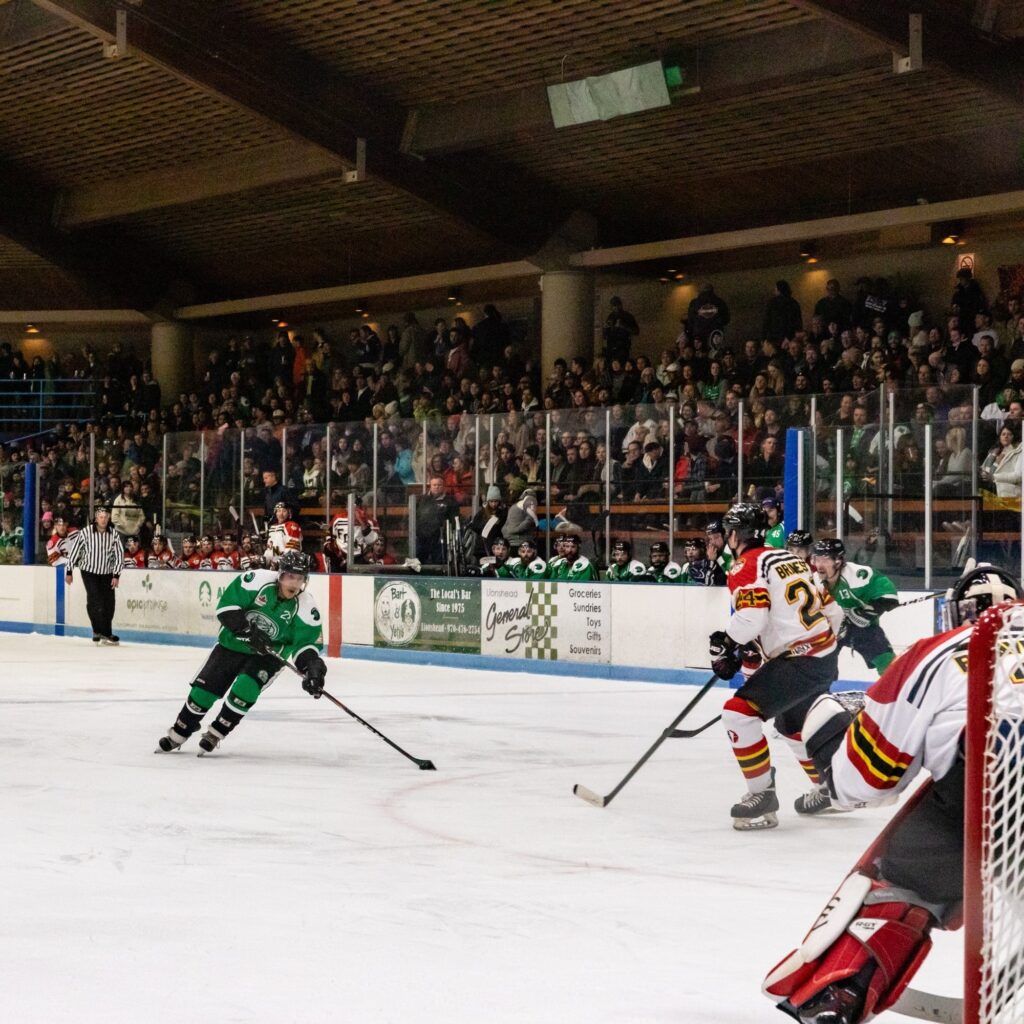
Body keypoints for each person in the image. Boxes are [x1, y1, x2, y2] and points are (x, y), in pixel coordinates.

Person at [764, 565, 1024, 1024]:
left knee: (913, 871)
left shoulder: (939, 652)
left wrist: (831, 744)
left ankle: (842, 994)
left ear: (959, 612)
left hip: (997, 780)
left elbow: (867, 779)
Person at [709, 503, 843, 830]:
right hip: (823, 657)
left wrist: (724, 644)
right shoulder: (790, 558)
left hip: (799, 660)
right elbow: (834, 612)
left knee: (738, 713)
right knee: (790, 725)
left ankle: (762, 796)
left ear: (735, 534)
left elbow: (753, 618)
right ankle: (828, 788)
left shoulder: (745, 565)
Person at [156, 551, 326, 755]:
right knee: (203, 692)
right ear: (280, 574)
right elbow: (226, 607)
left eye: (299, 579)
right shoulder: (256, 580)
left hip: (268, 656)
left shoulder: (307, 606)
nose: (294, 584)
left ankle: (217, 731)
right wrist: (247, 630)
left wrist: (313, 670)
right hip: (232, 644)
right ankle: (179, 732)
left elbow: (305, 645)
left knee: (246, 689)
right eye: (290, 576)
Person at [812, 538, 899, 675]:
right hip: (831, 630)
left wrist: (869, 612)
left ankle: (891, 693)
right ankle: (820, 694)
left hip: (862, 629)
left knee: (886, 660)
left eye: (825, 560)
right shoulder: (812, 582)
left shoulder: (858, 575)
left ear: (838, 561)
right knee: (818, 665)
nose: (819, 565)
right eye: (817, 559)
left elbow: (889, 597)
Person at [64, 503, 125, 645]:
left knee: (109, 603)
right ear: (96, 518)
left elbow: (119, 555)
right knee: (95, 599)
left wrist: (116, 575)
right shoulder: (85, 532)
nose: (103, 520)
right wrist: (69, 571)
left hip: (107, 572)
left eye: (105, 517)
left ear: (109, 518)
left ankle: (107, 632)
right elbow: (75, 552)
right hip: (89, 571)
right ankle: (97, 630)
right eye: (100, 517)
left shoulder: (113, 534)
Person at [265, 501, 303, 568]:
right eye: (279, 511)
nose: (281, 514)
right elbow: (270, 549)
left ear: (289, 513)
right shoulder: (272, 527)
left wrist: (280, 561)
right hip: (274, 564)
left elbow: (293, 549)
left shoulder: (292, 526)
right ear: (275, 513)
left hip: (288, 566)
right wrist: (265, 560)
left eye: (284, 511)